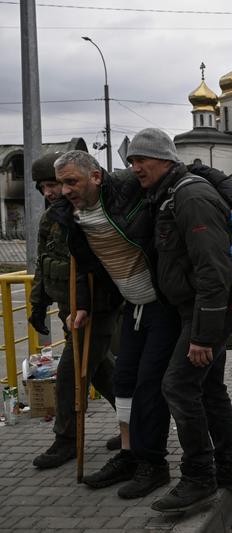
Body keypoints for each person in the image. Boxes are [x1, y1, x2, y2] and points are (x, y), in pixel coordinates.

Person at [55, 148, 232, 500]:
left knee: (169, 386)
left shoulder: (143, 189)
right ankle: (146, 458)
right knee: (138, 382)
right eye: (58, 183)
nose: (64, 190)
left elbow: (212, 268)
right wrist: (81, 304)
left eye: (72, 181)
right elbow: (82, 262)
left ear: (96, 177)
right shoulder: (71, 214)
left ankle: (171, 467)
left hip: (173, 306)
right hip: (139, 304)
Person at [123, 128, 232, 513]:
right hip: (196, 310)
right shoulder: (167, 195)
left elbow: (213, 270)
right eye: (131, 161)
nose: (135, 167)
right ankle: (231, 466)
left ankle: (199, 477)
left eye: (141, 160)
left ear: (164, 159)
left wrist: (203, 336)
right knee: (208, 389)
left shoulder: (189, 196)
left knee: (177, 386)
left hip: (205, 312)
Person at [28, 151, 121, 469]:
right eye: (44, 186)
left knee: (70, 375)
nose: (50, 192)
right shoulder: (50, 217)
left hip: (93, 309)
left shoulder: (86, 212)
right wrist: (37, 303)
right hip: (68, 310)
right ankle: (135, 426)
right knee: (105, 374)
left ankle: (66, 440)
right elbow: (43, 262)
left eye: (54, 184)